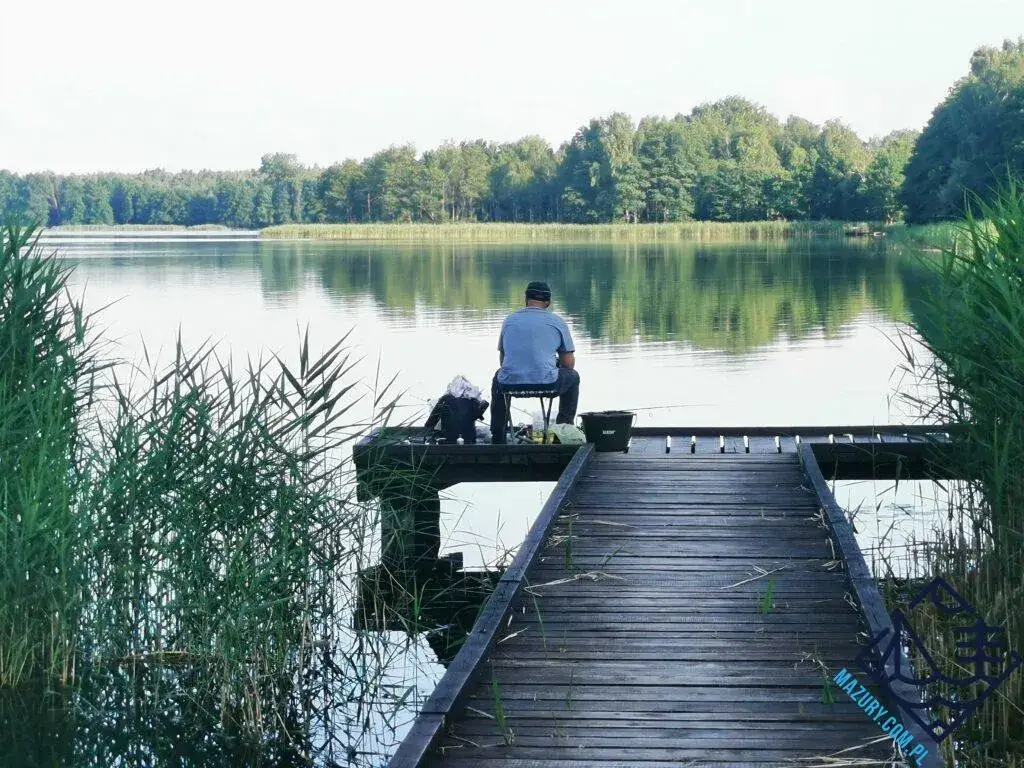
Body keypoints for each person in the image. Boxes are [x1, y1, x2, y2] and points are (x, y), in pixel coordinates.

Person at [490, 281, 580, 443]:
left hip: (510, 385)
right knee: (573, 377)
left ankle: (497, 436)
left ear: (526, 299)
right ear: (548, 302)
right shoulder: (557, 322)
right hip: (548, 384)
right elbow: (568, 364)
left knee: (498, 378)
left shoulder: (509, 321)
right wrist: (554, 365)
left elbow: (503, 361)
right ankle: (563, 431)